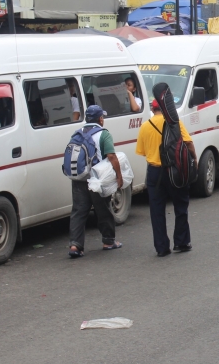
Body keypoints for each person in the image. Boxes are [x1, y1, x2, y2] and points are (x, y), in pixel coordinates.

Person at [136, 99, 197, 257]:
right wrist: (194, 160)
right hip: (174, 169)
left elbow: (142, 151)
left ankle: (161, 247)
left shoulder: (145, 126)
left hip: (154, 172)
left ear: (152, 108)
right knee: (180, 205)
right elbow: (188, 143)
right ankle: (181, 241)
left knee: (157, 210)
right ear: (165, 108)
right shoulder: (174, 123)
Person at [68, 105, 123, 258]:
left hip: (79, 178)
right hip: (96, 179)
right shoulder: (103, 134)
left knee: (78, 211)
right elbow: (111, 156)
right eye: (102, 117)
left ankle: (75, 246)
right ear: (100, 119)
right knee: (103, 210)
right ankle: (108, 241)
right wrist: (119, 175)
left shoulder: (76, 134)